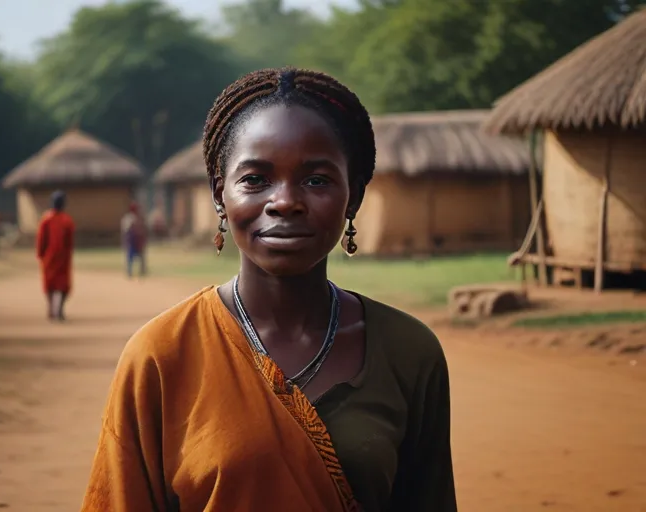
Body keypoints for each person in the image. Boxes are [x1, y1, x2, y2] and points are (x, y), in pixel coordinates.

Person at [81, 68, 457, 511]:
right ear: (221, 197)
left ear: (352, 197)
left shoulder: (409, 353)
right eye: (255, 180)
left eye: (316, 179)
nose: (284, 201)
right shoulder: (160, 354)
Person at [36, 190, 75, 321]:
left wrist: (41, 255)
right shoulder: (65, 220)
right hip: (59, 258)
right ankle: (57, 309)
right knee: (60, 285)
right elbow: (69, 243)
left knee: (51, 285)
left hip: (51, 258)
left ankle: (53, 308)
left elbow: (41, 240)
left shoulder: (47, 219)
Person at [120, 202, 147, 278]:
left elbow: (142, 230)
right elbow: (127, 231)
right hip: (131, 241)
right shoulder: (129, 218)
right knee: (130, 257)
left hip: (137, 240)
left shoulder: (138, 217)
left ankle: (142, 271)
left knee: (140, 256)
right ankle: (130, 272)